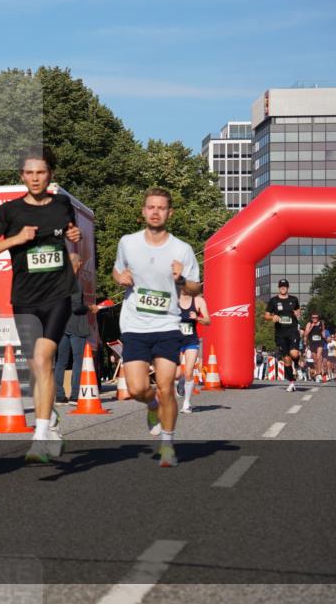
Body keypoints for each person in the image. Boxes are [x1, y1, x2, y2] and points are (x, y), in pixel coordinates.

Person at [0, 146, 81, 464]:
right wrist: (15, 239)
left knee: (43, 357)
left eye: (41, 172)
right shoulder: (9, 212)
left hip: (58, 294)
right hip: (24, 298)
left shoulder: (62, 205)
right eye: (30, 172)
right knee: (37, 368)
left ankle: (40, 436)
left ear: (51, 175)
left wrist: (74, 242)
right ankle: (51, 419)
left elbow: (72, 241)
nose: (35, 178)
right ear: (22, 175)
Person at [112, 187, 200, 468]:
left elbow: (196, 288)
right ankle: (151, 406)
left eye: (161, 208)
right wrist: (120, 277)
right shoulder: (128, 242)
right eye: (151, 207)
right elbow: (117, 270)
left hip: (167, 325)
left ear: (169, 213)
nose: (155, 212)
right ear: (143, 211)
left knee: (166, 387)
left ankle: (167, 445)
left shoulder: (182, 249)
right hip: (134, 324)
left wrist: (181, 279)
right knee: (137, 388)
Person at [53, 256, 97, 406]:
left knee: (61, 361)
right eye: (80, 262)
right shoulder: (75, 283)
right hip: (76, 325)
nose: (81, 263)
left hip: (61, 325)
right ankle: (74, 396)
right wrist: (90, 308)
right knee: (78, 360)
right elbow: (77, 307)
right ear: (77, 264)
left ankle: (59, 396)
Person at [176, 285, 210, 414]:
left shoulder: (198, 301)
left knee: (189, 371)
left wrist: (197, 318)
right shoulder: (173, 299)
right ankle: (180, 382)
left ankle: (186, 403)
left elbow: (208, 321)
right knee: (176, 374)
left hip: (191, 340)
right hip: (174, 340)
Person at [265, 279, 301, 392]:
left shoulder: (294, 299)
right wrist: (272, 317)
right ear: (279, 287)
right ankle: (291, 382)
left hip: (292, 331)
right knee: (286, 358)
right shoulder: (273, 300)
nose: (283, 288)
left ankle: (297, 363)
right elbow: (266, 315)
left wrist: (298, 313)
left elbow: (298, 310)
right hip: (280, 333)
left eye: (285, 286)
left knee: (294, 353)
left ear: (288, 287)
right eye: (281, 286)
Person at [303, 313, 327, 382]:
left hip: (320, 342)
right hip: (312, 343)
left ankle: (319, 373)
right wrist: (311, 327)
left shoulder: (321, 323)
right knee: (315, 360)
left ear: (318, 318)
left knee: (319, 357)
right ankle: (317, 372)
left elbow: (323, 332)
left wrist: (325, 336)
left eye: (316, 317)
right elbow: (305, 334)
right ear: (311, 318)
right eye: (313, 317)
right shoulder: (309, 324)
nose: (315, 319)